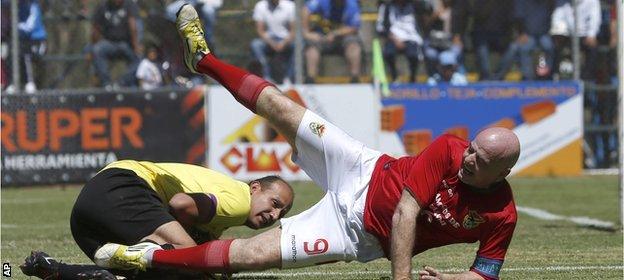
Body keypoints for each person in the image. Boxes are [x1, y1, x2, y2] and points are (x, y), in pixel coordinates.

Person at [95, 5, 521, 280]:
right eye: (471, 148)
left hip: (356, 234)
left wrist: (450, 279)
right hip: (362, 167)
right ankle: (203, 60)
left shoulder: (502, 214)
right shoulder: (448, 148)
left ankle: (143, 258)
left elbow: (485, 274)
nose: (467, 157)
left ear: (501, 173)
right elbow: (407, 211)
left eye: (479, 159)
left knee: (249, 257)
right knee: (281, 106)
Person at [20, 160, 294, 280]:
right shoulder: (240, 199)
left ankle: (51, 269)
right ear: (255, 186)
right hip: (123, 189)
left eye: (281, 214)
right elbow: (180, 205)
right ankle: (146, 252)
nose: (274, 216)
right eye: (275, 204)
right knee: (195, 266)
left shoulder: (227, 208)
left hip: (90, 211)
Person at [302, 0, 362, 83]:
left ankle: (355, 79)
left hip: (342, 38)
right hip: (322, 36)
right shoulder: (322, 1)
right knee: (312, 47)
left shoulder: (352, 4)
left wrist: (336, 33)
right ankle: (310, 80)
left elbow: (354, 27)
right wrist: (306, 33)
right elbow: (306, 10)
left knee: (354, 45)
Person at [452, 0, 514, 81]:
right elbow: (467, 16)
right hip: (481, 36)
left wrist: (511, 36)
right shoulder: (476, 2)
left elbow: (510, 19)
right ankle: (486, 77)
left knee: (513, 47)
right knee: (482, 49)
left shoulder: (505, 2)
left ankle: (498, 77)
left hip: (500, 36)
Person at [496, 0, 555, 81]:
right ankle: (528, 77)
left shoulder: (548, 2)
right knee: (525, 48)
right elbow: (518, 19)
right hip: (527, 34)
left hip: (544, 33)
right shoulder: (521, 2)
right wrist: (521, 33)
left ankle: (546, 76)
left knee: (549, 47)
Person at [90, 0, 142, 89]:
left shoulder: (129, 5)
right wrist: (91, 47)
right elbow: (95, 28)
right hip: (108, 42)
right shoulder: (102, 6)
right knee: (96, 50)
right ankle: (106, 84)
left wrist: (136, 46)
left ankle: (121, 83)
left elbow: (133, 27)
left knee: (140, 60)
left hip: (126, 43)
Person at [376, 0, 425, 83]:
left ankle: (413, 78)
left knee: (414, 55)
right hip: (393, 38)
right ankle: (395, 77)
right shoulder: (386, 7)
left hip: (412, 38)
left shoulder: (415, 6)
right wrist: (394, 39)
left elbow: (425, 13)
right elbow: (380, 28)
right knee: (388, 53)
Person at [5, 0, 47, 94]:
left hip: (37, 41)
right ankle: (11, 83)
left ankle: (30, 82)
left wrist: (14, 27)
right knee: (9, 50)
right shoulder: (15, 6)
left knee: (24, 51)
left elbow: (29, 27)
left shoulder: (32, 6)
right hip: (20, 41)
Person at [251, 0, 295, 84]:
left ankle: (288, 78)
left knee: (298, 46)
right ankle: (266, 77)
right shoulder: (260, 6)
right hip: (268, 40)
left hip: (285, 40)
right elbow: (260, 31)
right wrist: (272, 43)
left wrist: (283, 43)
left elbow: (293, 31)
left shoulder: (290, 6)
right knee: (256, 45)